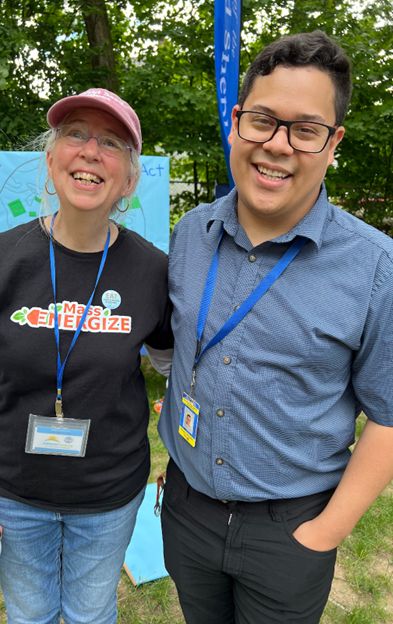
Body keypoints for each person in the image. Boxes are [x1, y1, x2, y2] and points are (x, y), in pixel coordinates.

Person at [158, 30, 393, 624]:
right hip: (186, 510)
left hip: (292, 528)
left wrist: (324, 532)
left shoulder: (375, 266)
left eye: (305, 129)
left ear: (333, 143)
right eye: (262, 120)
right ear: (236, 122)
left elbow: (390, 416)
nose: (277, 145)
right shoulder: (189, 235)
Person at [0, 88, 173, 624]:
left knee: (92, 614)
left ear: (130, 180)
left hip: (110, 494)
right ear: (50, 160)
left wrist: (188, 446)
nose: (90, 151)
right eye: (75, 135)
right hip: (12, 492)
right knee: (31, 615)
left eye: (111, 142)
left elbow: (173, 365)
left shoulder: (152, 271)